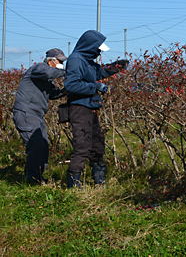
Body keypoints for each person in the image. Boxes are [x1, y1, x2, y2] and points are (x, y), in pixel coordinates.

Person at [64, 30, 127, 189]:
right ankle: (74, 186)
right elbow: (71, 85)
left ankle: (100, 183)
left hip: (90, 107)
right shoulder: (76, 60)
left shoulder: (87, 61)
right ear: (89, 46)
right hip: (80, 108)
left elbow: (100, 72)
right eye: (97, 49)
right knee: (82, 146)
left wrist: (117, 66)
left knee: (97, 145)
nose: (98, 53)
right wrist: (95, 86)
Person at [12, 48, 68, 184]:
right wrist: (66, 72)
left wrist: (68, 90)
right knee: (36, 146)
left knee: (43, 147)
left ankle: (38, 177)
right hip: (26, 113)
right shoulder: (38, 69)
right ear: (51, 61)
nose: (61, 64)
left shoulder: (46, 80)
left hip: (36, 115)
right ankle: (31, 179)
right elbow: (46, 72)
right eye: (60, 61)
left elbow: (54, 94)